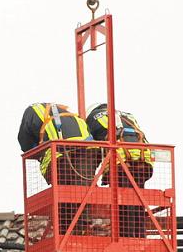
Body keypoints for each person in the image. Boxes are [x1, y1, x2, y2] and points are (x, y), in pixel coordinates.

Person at [18, 102, 100, 235]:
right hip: (88, 151)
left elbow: (25, 142)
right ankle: (81, 224)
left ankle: (65, 232)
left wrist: (37, 150)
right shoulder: (68, 112)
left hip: (59, 154)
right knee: (82, 188)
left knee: (62, 193)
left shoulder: (32, 111)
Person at [85, 103, 153, 238]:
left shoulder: (93, 118)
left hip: (120, 162)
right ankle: (139, 236)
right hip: (142, 160)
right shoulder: (127, 115)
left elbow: (92, 149)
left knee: (121, 202)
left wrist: (92, 176)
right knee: (138, 201)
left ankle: (125, 237)